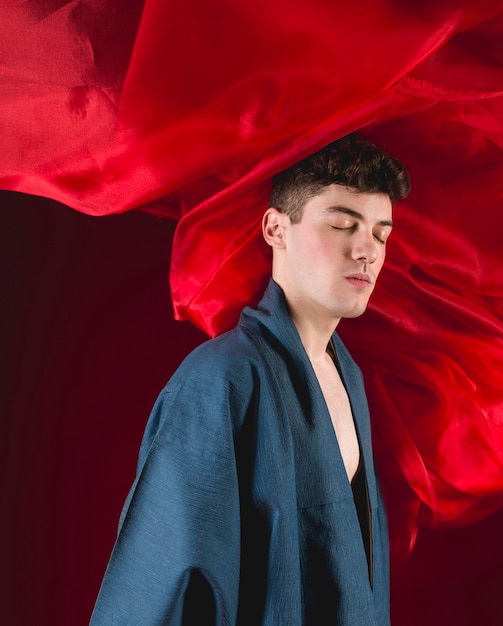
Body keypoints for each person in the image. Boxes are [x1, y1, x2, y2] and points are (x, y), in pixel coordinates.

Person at [90, 133, 410, 625]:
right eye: (344, 225)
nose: (366, 250)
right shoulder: (219, 378)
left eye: (381, 234)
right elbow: (161, 579)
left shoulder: (348, 378)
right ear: (276, 229)